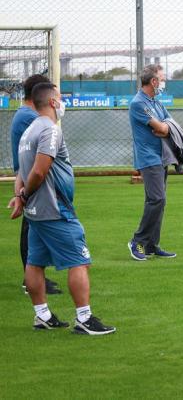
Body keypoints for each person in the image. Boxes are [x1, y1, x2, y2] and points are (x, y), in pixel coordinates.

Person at [9, 83, 115, 335]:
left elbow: (22, 173)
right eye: (60, 97)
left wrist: (21, 197)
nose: (63, 101)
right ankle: (84, 319)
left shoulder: (28, 132)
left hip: (36, 212)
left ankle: (42, 316)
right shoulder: (49, 130)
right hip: (55, 209)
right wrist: (23, 194)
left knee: (35, 263)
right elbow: (39, 170)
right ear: (53, 103)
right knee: (79, 261)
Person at [9, 74, 62, 295]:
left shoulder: (25, 115)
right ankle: (30, 278)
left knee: (33, 228)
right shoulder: (30, 118)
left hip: (28, 175)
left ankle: (34, 276)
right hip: (30, 176)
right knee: (30, 228)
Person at [127, 64, 177, 260]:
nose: (164, 82)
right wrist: (163, 127)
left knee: (158, 201)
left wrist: (164, 127)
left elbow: (170, 124)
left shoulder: (155, 102)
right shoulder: (139, 103)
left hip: (160, 156)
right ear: (153, 81)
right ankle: (137, 241)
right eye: (162, 78)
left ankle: (151, 245)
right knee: (157, 199)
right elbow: (164, 129)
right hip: (148, 158)